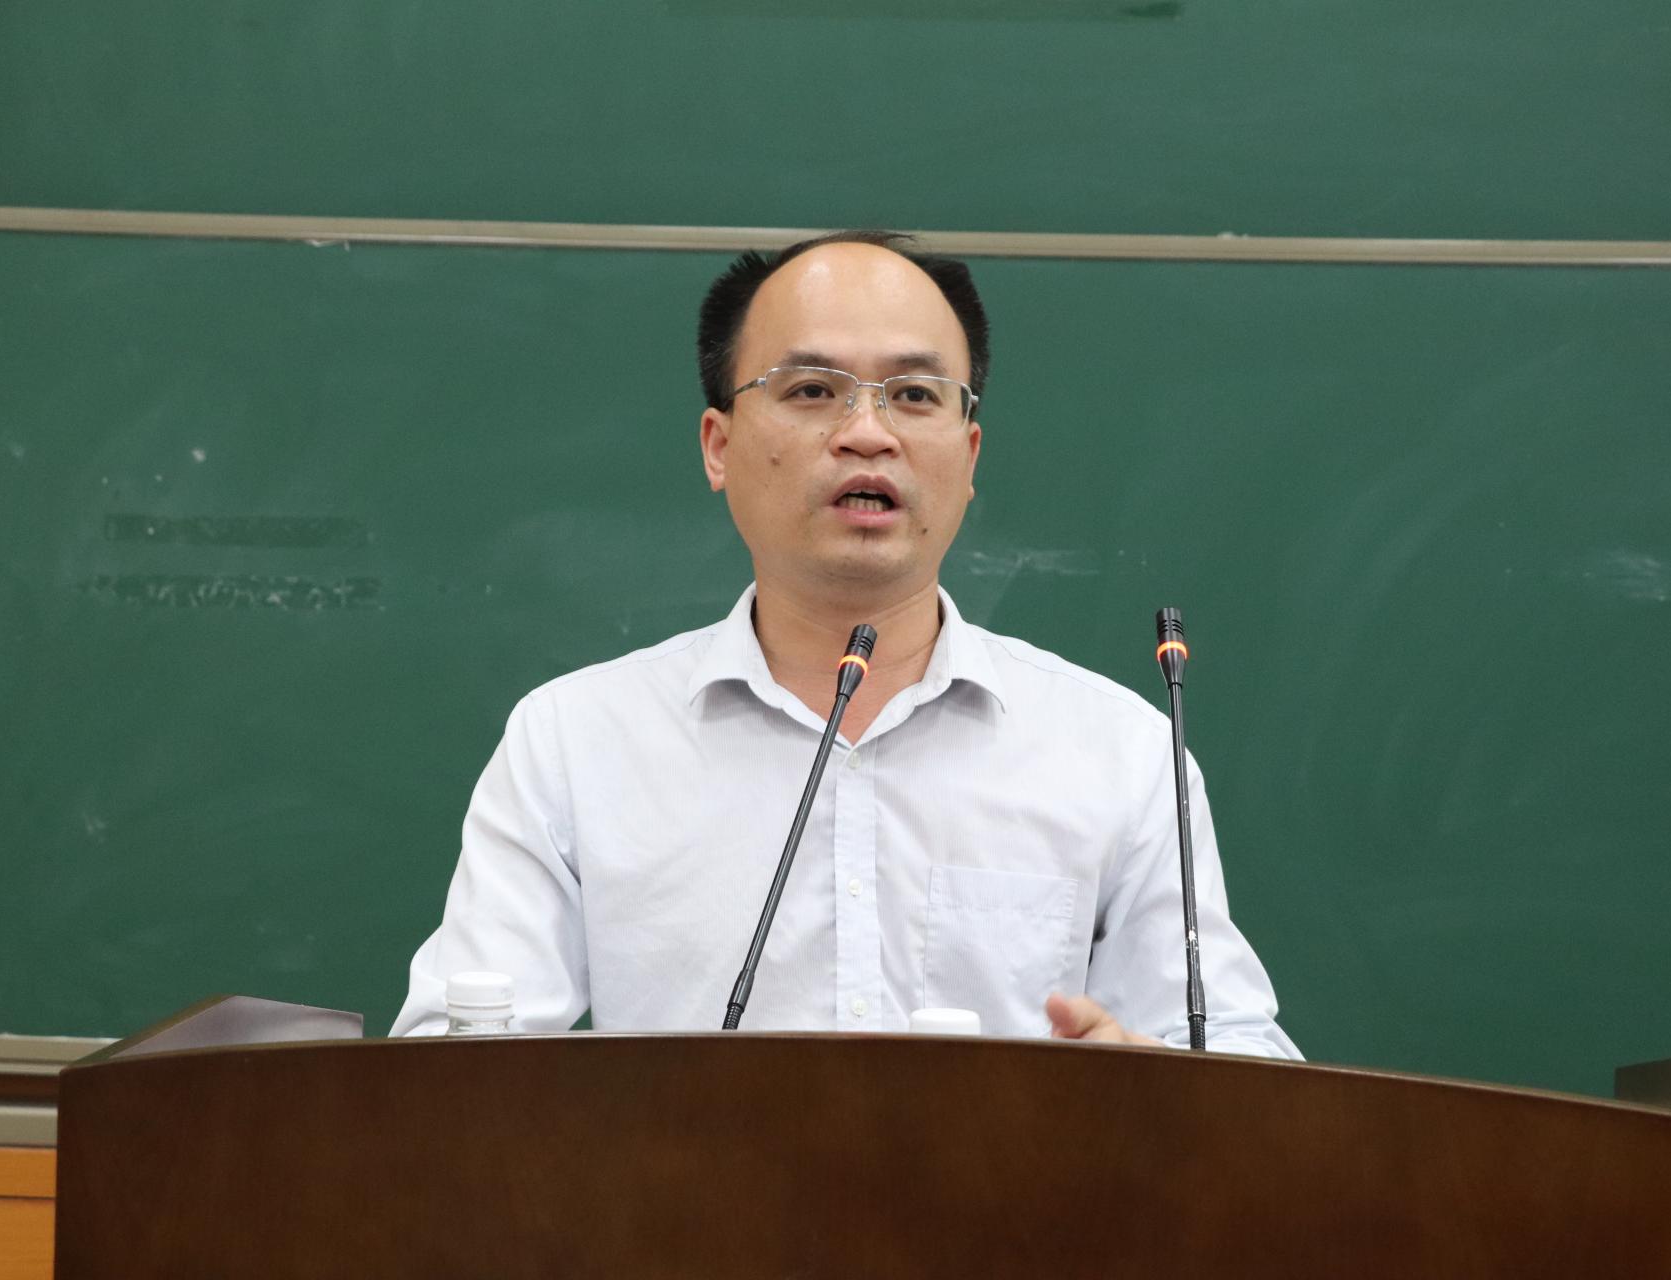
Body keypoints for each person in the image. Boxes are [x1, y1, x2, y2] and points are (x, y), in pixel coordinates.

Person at [393, 231, 1299, 1057]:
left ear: (969, 456)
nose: (867, 434)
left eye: (914, 395)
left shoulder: (1119, 751)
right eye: (812, 391)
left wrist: (1155, 1093)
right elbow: (447, 1070)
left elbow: (1247, 1075)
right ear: (718, 446)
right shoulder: (574, 742)